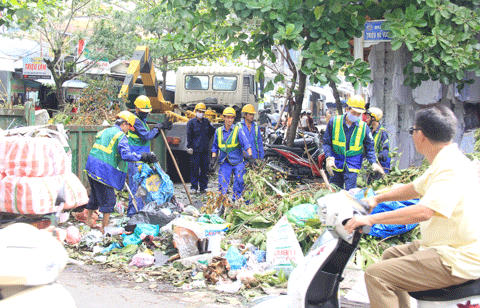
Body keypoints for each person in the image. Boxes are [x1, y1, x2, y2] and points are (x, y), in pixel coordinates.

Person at [345, 104, 480, 308]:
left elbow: (424, 212)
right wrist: (377, 199)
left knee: (376, 276)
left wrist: (371, 219)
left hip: (457, 256)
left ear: (421, 135)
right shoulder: (446, 159)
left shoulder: (450, 169)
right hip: (448, 243)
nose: (413, 135)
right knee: (390, 255)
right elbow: (415, 187)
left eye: (412, 130)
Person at [84, 111, 158, 233]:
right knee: (109, 200)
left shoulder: (105, 131)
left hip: (91, 166)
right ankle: (104, 228)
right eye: (129, 126)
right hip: (103, 170)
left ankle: (88, 221)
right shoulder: (120, 136)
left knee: (95, 195)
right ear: (124, 123)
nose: (129, 130)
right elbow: (126, 155)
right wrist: (143, 156)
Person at [323, 95, 384, 190]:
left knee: (350, 192)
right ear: (347, 109)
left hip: (353, 164)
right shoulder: (334, 122)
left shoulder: (363, 127)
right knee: (334, 190)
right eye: (353, 112)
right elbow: (327, 142)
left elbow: (369, 148)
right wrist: (329, 157)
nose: (355, 115)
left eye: (358, 114)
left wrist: (373, 162)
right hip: (335, 162)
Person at [126, 95, 172, 217]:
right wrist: (158, 127)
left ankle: (140, 213)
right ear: (136, 108)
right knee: (136, 189)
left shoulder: (141, 121)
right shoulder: (135, 120)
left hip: (142, 158)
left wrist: (160, 128)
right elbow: (146, 136)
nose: (145, 114)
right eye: (143, 112)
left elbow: (147, 136)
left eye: (147, 112)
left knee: (143, 188)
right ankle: (133, 215)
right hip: (136, 159)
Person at [210, 107, 255, 206]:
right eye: (228, 118)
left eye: (232, 118)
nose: (230, 120)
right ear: (224, 118)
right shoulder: (218, 131)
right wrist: (213, 159)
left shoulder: (237, 130)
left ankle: (237, 200)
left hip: (237, 161)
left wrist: (251, 157)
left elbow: (246, 144)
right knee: (222, 183)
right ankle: (223, 203)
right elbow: (215, 147)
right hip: (224, 162)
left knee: (240, 180)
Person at [186, 102, 215, 194]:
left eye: (203, 111)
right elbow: (189, 135)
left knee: (204, 169)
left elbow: (211, 131)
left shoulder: (206, 122)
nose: (201, 113)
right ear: (196, 111)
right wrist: (190, 147)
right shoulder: (191, 123)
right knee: (194, 169)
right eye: (199, 111)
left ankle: (203, 187)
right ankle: (194, 187)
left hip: (204, 150)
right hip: (195, 150)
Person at [366, 107, 391, 177]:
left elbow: (386, 149)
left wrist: (380, 156)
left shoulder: (382, 132)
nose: (366, 119)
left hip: (381, 165)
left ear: (374, 118)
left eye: (368, 118)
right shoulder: (369, 131)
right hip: (372, 165)